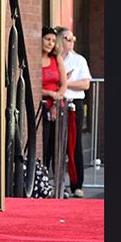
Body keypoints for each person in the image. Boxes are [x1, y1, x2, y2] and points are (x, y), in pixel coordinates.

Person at [57, 27, 93, 196]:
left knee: (75, 144)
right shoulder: (53, 59)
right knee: (55, 146)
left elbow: (85, 84)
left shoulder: (79, 60)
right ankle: (57, 184)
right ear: (60, 40)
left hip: (74, 103)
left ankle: (76, 185)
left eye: (73, 38)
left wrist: (64, 82)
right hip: (56, 102)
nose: (71, 42)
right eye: (67, 38)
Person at [38, 27, 67, 198]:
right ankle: (44, 184)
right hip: (41, 106)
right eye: (47, 39)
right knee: (44, 145)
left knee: (57, 147)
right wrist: (49, 93)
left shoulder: (56, 59)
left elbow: (63, 83)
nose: (50, 43)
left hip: (57, 107)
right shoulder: (35, 60)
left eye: (53, 40)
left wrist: (56, 100)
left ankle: (59, 186)